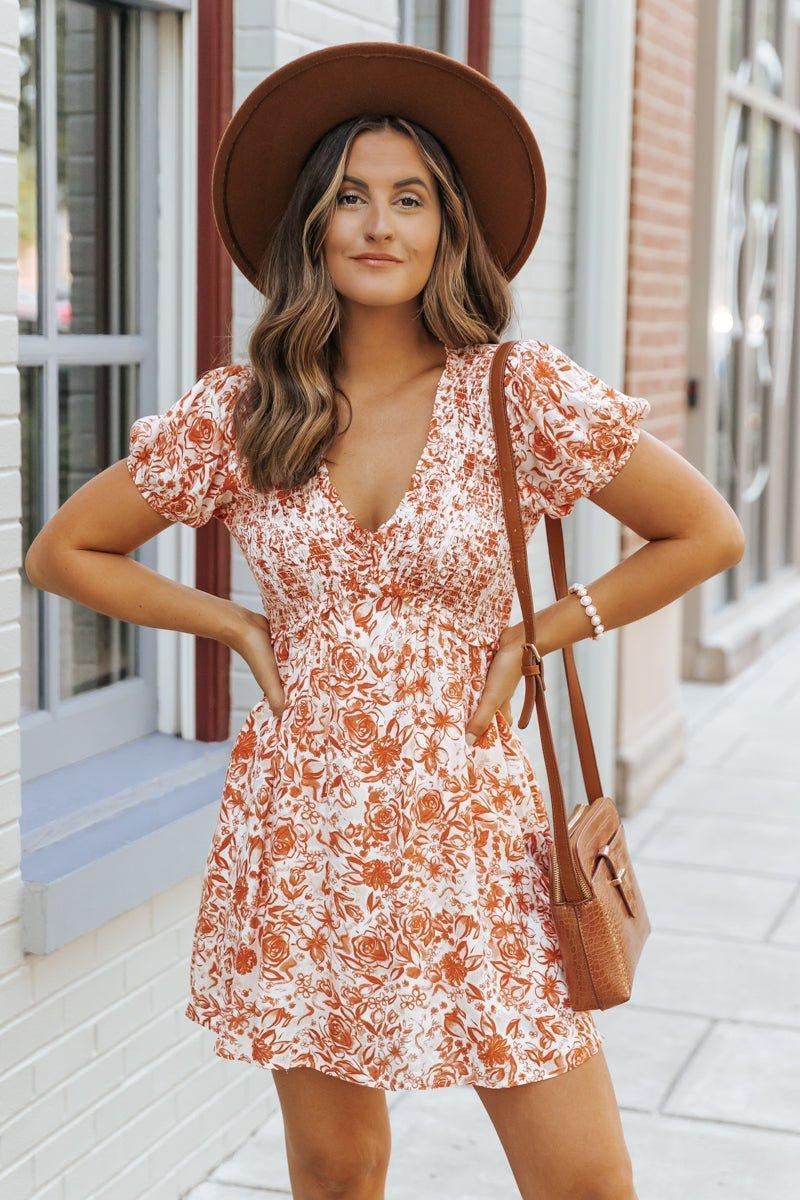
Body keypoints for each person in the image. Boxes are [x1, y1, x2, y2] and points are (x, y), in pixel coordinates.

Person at [25, 41, 744, 1200]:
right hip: (302, 822)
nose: (377, 224)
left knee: (581, 1179)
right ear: (311, 225)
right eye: (349, 196)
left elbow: (705, 533)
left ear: (446, 230)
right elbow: (65, 550)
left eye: (409, 198)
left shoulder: (517, 394)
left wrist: (539, 632)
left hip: (475, 828)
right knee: (336, 1168)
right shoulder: (249, 411)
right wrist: (235, 625)